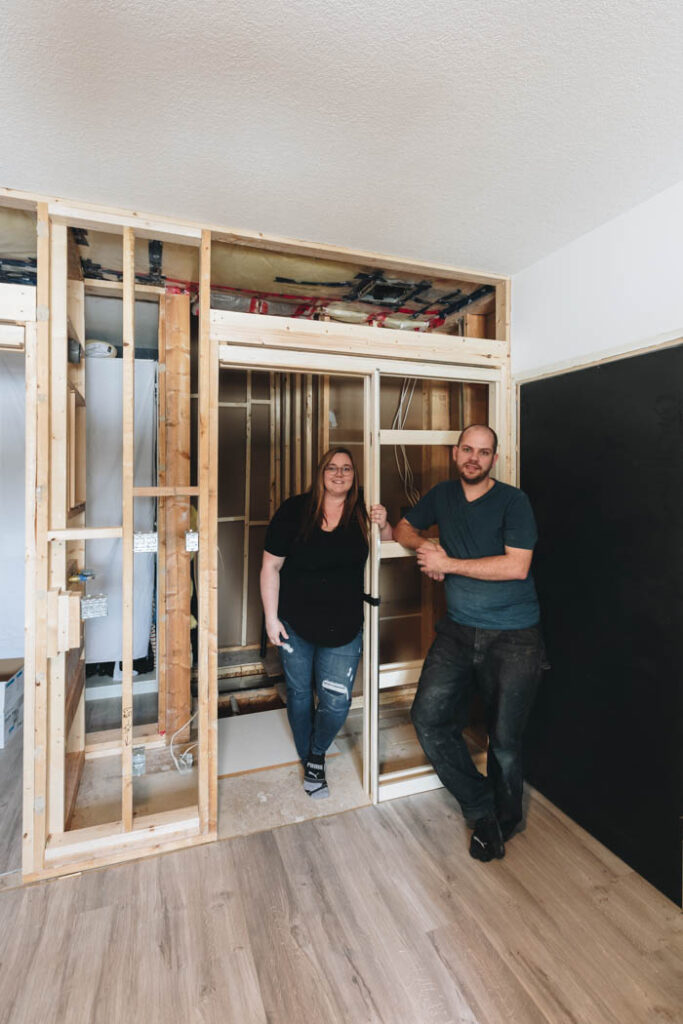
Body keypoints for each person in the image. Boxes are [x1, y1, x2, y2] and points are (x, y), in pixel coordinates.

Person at [393, 424, 543, 861]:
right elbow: (401, 530)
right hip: (458, 630)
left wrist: (450, 564)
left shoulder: (514, 501)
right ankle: (482, 808)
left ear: (494, 459)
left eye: (483, 452)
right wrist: (427, 549)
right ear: (455, 453)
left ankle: (506, 821)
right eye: (467, 450)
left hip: (515, 636)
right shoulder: (442, 495)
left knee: (506, 740)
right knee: (428, 718)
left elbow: (517, 567)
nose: (474, 458)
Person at [260, 447, 392, 799]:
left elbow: (390, 547)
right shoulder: (294, 510)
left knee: (335, 701)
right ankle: (311, 759)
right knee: (301, 694)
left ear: (354, 475)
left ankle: (317, 750)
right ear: (321, 473)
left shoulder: (364, 511)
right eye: (332, 468)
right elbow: (270, 567)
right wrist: (271, 619)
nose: (339, 474)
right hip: (294, 625)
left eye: (346, 468)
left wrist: (385, 523)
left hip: (344, 626)